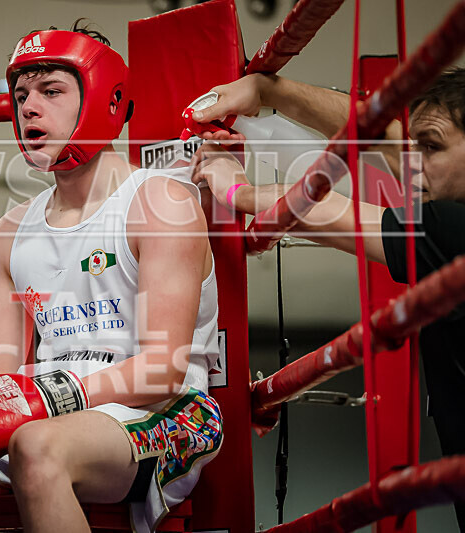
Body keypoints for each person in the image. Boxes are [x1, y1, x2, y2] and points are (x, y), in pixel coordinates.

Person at [0, 22, 223, 533]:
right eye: (21, 94)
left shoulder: (160, 204)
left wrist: (46, 398)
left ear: (105, 100)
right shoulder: (10, 232)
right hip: (54, 415)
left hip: (171, 414)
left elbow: (161, 369)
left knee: (36, 447)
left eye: (51, 91)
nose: (30, 107)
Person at [191, 68, 465, 529]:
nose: (412, 162)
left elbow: (327, 213)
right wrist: (267, 90)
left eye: (431, 148)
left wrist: (234, 187)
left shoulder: (450, 229)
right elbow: (379, 130)